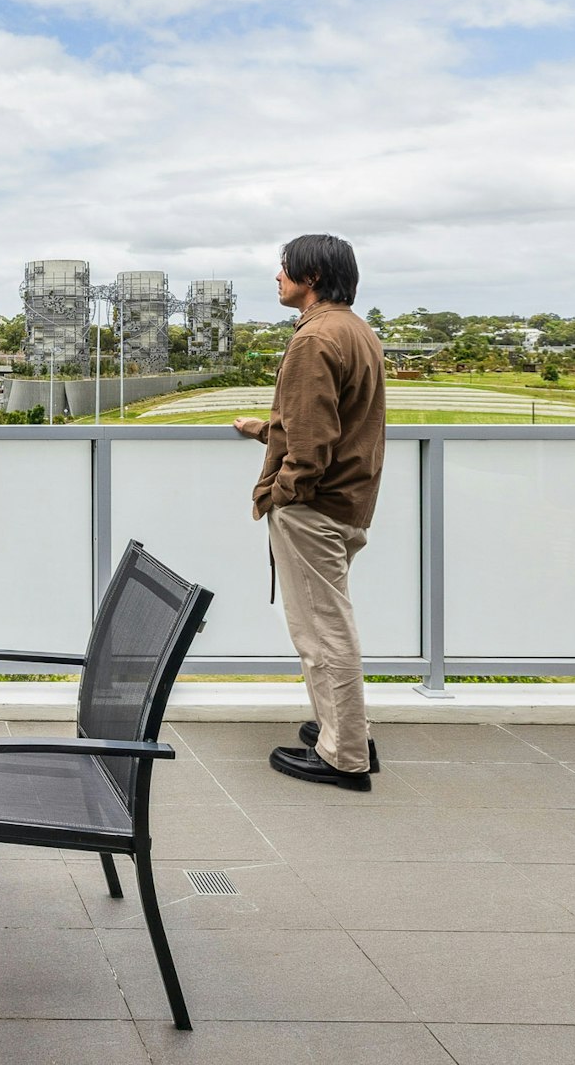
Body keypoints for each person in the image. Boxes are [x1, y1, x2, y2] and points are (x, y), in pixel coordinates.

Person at [232, 234, 387, 791]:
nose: (277, 276)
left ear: (311, 277)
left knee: (322, 631)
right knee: (326, 622)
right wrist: (264, 429)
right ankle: (340, 728)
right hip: (348, 502)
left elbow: (314, 442)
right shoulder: (356, 330)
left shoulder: (314, 339)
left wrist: (284, 492)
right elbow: (329, 423)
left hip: (315, 507)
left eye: (284, 268)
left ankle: (344, 755)